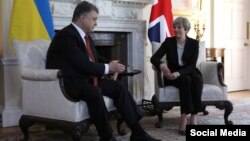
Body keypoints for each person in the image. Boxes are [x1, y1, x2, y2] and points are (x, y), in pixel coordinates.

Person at [46, 1, 160, 141]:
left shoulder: (85, 36)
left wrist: (112, 64)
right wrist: (108, 68)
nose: (96, 23)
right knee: (94, 92)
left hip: (85, 80)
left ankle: (138, 132)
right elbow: (83, 65)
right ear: (82, 18)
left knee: (118, 87)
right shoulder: (66, 36)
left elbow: (96, 58)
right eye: (94, 19)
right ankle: (107, 137)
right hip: (70, 83)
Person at [150, 17, 203, 135]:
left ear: (186, 29)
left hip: (189, 71)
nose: (176, 29)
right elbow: (154, 58)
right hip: (172, 75)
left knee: (196, 79)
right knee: (185, 80)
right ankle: (184, 116)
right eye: (174, 27)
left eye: (179, 27)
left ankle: (194, 116)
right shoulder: (169, 42)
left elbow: (191, 65)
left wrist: (179, 73)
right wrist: (162, 66)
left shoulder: (194, 44)